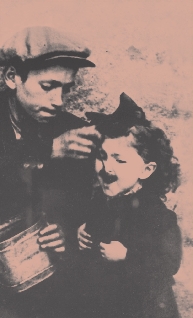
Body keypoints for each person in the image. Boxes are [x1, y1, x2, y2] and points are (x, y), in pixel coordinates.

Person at [0, 26, 101, 317]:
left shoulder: (69, 130)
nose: (59, 101)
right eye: (48, 86)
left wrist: (66, 230)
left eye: (66, 89)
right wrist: (46, 150)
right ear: (12, 78)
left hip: (41, 275)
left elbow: (85, 202)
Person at [77, 93, 182, 318]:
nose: (107, 168)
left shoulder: (157, 216)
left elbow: (168, 264)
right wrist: (82, 231)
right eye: (102, 156)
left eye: (120, 160)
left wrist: (128, 256)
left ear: (146, 170)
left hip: (143, 307)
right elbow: (96, 225)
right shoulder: (101, 201)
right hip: (105, 301)